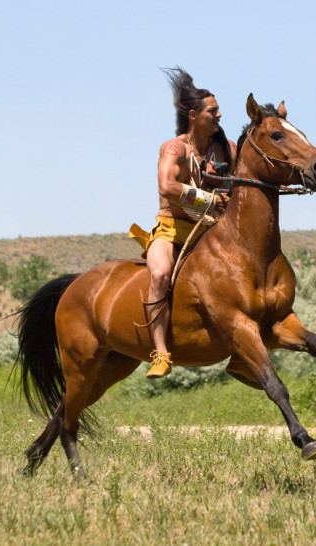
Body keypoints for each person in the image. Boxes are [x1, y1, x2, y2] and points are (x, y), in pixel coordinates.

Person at [129, 67, 236, 379]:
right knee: (160, 274)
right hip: (172, 231)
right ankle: (160, 353)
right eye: (213, 110)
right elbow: (167, 189)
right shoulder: (174, 149)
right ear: (194, 115)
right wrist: (211, 200)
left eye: (218, 110)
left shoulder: (225, 148)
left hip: (211, 234)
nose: (219, 115)